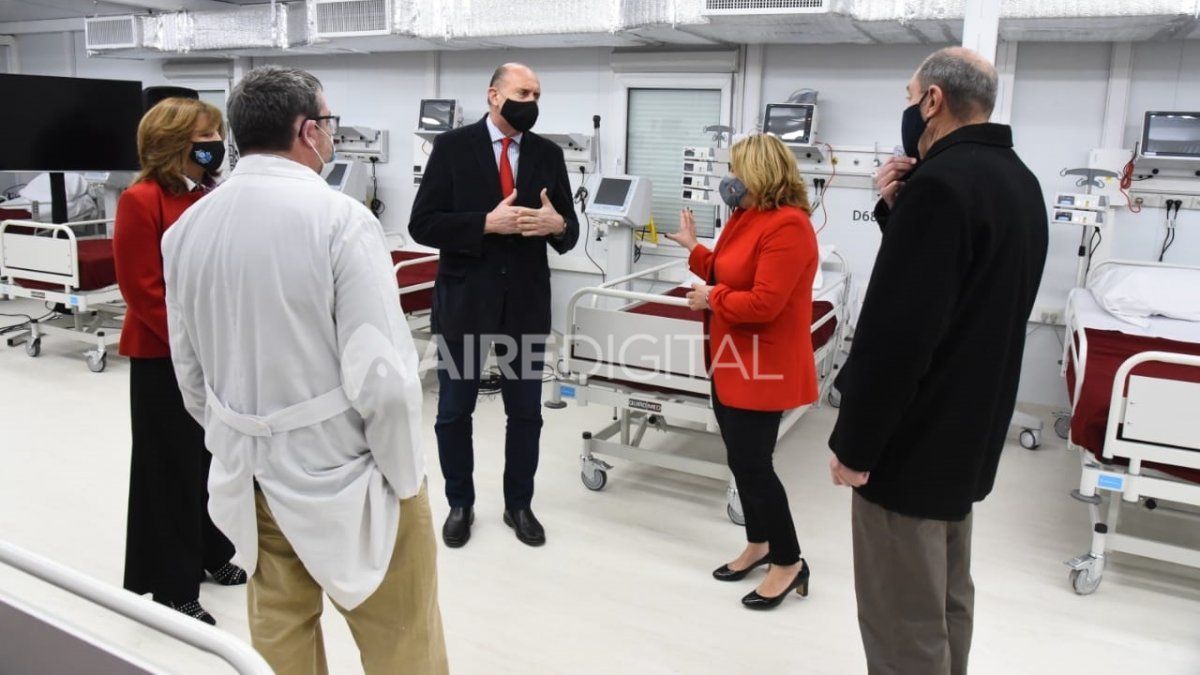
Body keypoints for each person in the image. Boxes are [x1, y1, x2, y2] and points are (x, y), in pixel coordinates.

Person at [161, 66, 448, 674]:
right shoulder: (341, 220)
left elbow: (189, 373)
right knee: (402, 640)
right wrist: (405, 481)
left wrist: (239, 433)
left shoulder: (187, 229)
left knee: (281, 639)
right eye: (329, 124)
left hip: (252, 473)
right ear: (308, 130)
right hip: (350, 475)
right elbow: (386, 380)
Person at [827, 47, 1048, 674]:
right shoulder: (1019, 182)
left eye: (909, 94)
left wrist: (856, 445)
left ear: (933, 101)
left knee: (902, 622)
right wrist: (897, 213)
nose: (907, 107)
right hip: (966, 439)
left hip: (909, 448)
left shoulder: (941, 186)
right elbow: (964, 298)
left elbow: (899, 335)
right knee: (948, 602)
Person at [409, 62, 579, 549]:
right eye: (524, 91)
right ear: (494, 95)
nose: (532, 100)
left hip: (524, 307)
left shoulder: (548, 154)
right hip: (465, 304)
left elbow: (567, 229)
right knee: (453, 413)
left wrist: (559, 228)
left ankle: (518, 505)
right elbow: (423, 224)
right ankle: (459, 503)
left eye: (538, 93)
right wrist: (485, 224)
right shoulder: (452, 148)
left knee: (526, 413)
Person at [665, 133, 819, 610]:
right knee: (740, 460)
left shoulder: (789, 227)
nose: (728, 181)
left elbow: (764, 303)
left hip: (764, 365)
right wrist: (694, 248)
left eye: (735, 170)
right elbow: (725, 271)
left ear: (759, 174)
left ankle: (790, 561)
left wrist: (710, 298)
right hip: (729, 360)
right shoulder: (744, 217)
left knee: (755, 465)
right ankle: (759, 543)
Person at [114, 95, 244, 626]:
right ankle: (171, 584)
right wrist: (197, 349)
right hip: (163, 358)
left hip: (214, 355)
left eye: (217, 134)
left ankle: (211, 553)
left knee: (209, 463)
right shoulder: (141, 200)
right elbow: (143, 292)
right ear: (175, 145)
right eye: (206, 136)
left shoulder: (212, 196)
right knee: (169, 470)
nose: (216, 145)